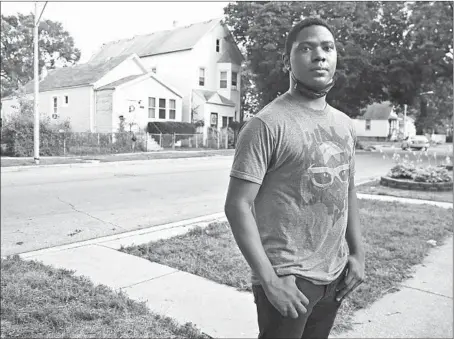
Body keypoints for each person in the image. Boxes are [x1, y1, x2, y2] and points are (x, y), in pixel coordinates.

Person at [224, 17, 365, 339]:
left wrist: (357, 254)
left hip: (335, 273)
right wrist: (271, 281)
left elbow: (347, 190)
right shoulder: (267, 124)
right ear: (288, 60)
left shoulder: (344, 124)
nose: (319, 56)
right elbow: (237, 206)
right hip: (289, 279)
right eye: (307, 48)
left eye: (327, 48)